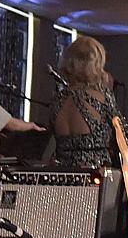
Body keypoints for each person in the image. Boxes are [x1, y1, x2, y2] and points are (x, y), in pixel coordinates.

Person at [48, 36, 119, 168]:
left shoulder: (57, 100)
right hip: (95, 173)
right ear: (96, 64)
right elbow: (122, 136)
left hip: (64, 173)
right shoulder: (103, 97)